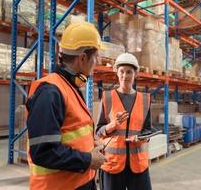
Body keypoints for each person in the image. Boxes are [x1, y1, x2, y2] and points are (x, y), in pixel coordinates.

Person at [26, 22, 106, 190]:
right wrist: (88, 160)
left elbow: (70, 133)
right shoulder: (50, 93)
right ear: (83, 57)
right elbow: (43, 151)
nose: (96, 63)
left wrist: (91, 143)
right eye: (95, 58)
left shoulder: (69, 87)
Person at [96, 53, 153, 190]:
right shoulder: (108, 97)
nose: (125, 76)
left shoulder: (144, 100)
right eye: (122, 71)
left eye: (129, 72)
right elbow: (99, 130)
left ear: (135, 74)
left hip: (138, 165)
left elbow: (148, 130)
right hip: (112, 164)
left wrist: (140, 138)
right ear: (116, 72)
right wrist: (112, 125)